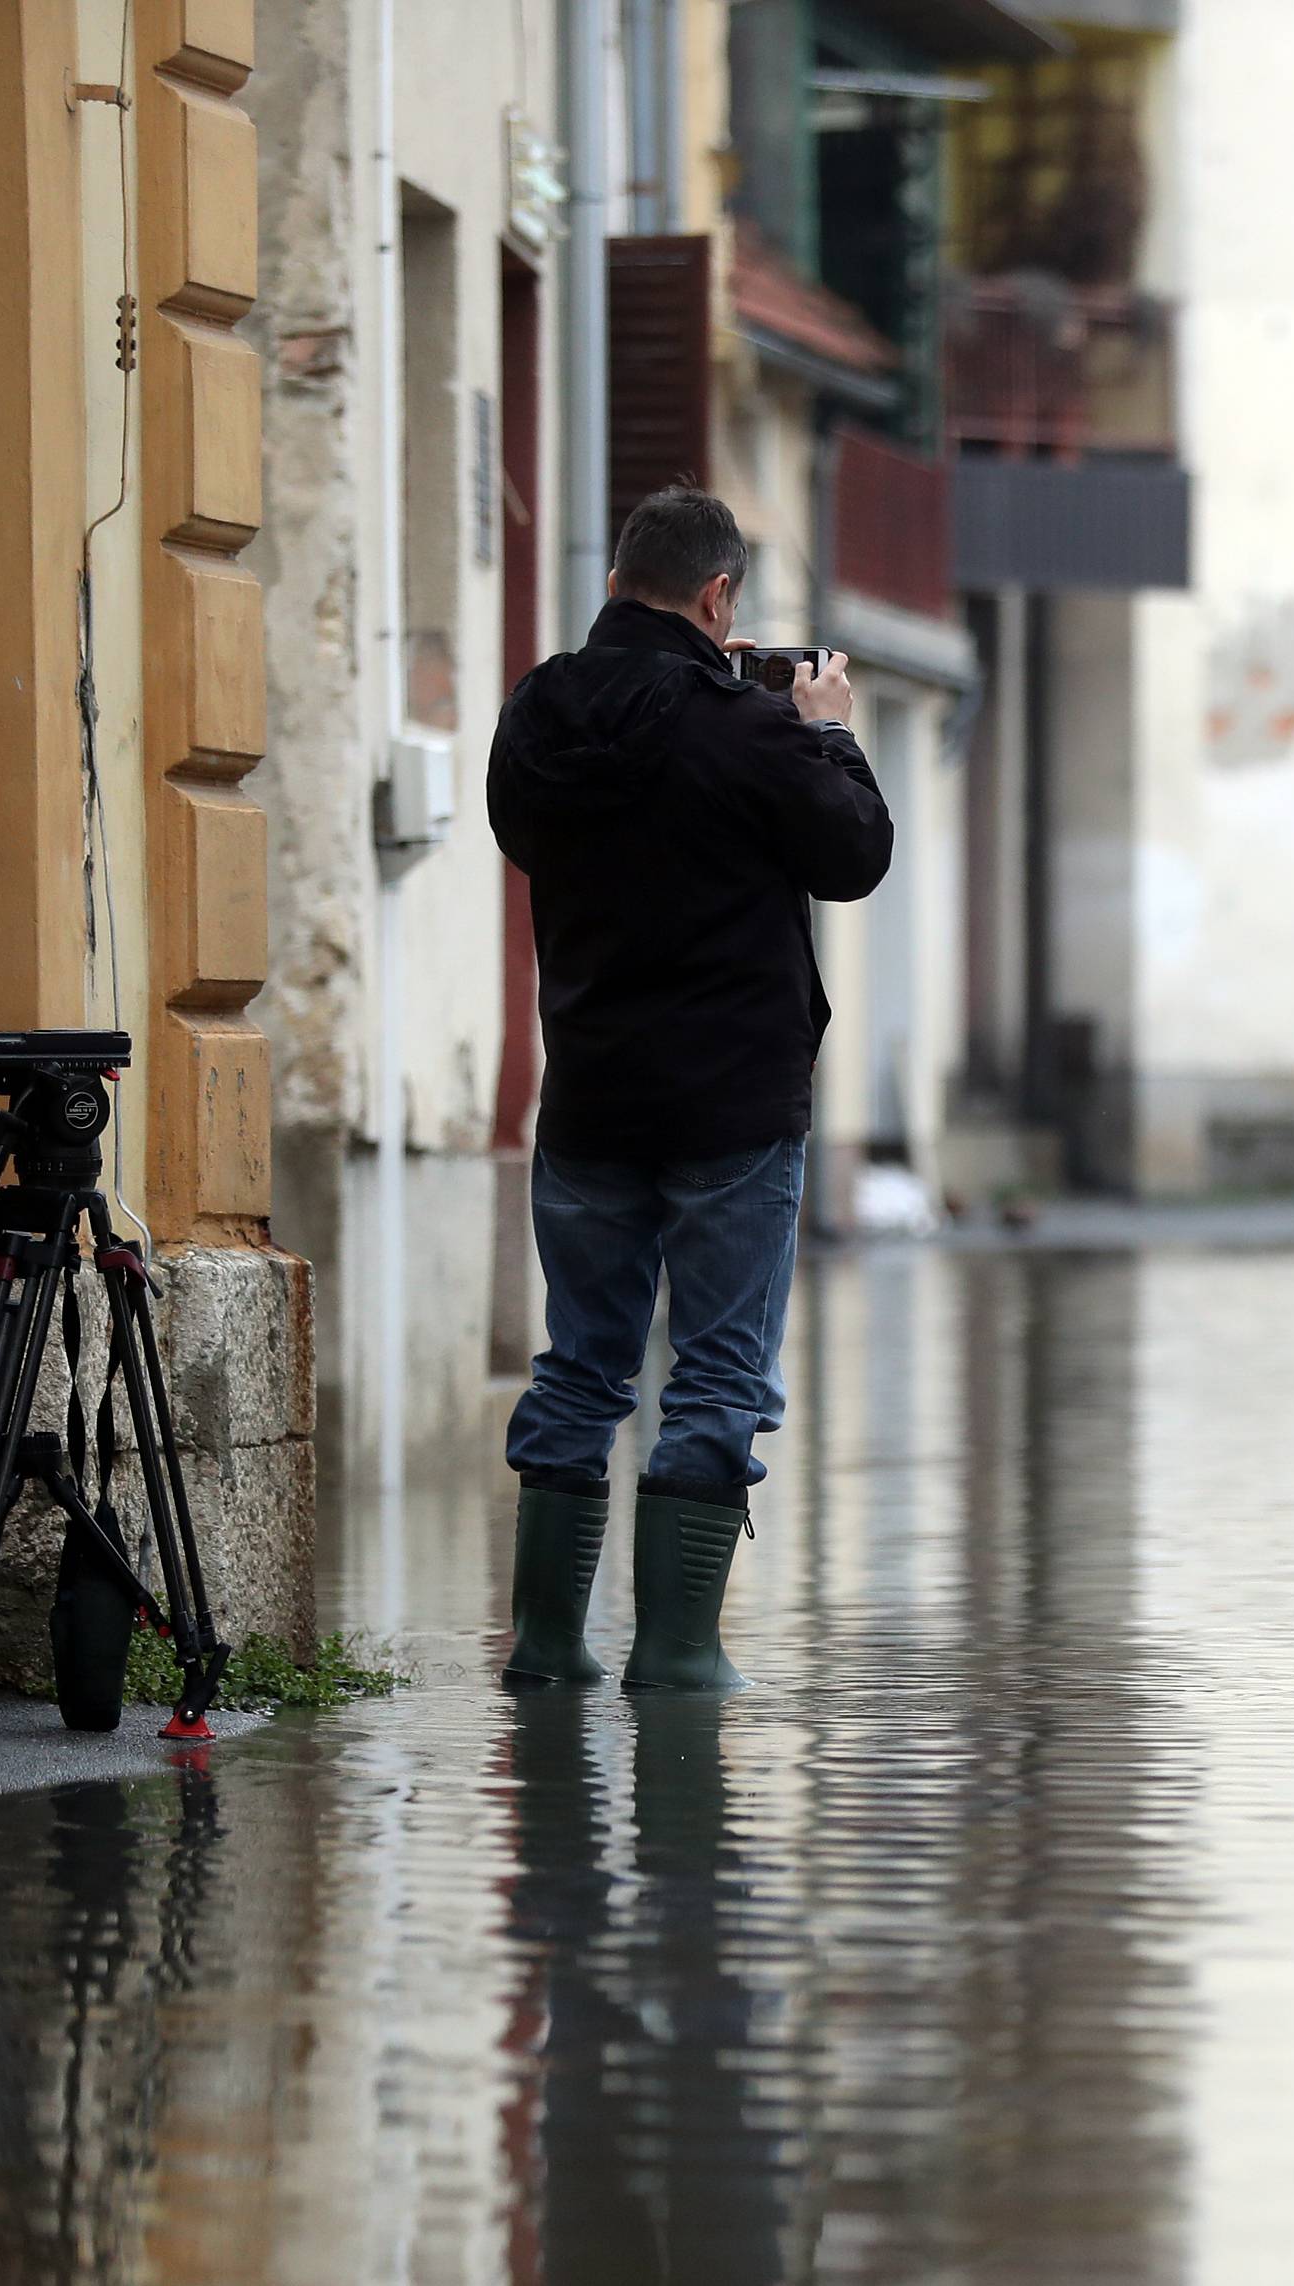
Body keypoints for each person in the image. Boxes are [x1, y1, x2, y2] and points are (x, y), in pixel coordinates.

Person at [487, 485, 893, 1691]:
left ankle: (547, 1646)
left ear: (617, 582)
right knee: (717, 1374)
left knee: (579, 1365)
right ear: (721, 599)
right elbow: (855, 857)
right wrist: (824, 730)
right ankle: (674, 1652)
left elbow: (522, 835)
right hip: (730, 1110)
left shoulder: (537, 714)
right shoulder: (752, 731)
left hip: (592, 1095)